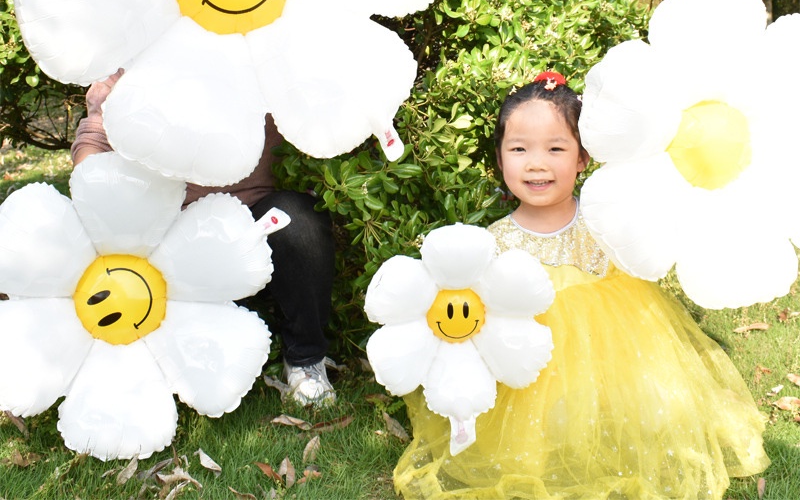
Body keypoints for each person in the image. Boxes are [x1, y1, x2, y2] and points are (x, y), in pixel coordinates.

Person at [393, 72, 770, 500]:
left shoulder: (603, 221)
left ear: (582, 158)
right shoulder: (493, 242)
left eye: (556, 148)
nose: (537, 163)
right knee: (535, 428)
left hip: (611, 346)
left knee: (637, 409)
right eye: (519, 149)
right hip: (531, 364)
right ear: (499, 159)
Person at [71, 69, 337, 407]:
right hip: (171, 230)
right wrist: (94, 192)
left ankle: (305, 359)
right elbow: (95, 139)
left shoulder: (262, 46)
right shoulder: (146, 53)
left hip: (256, 216)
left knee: (299, 222)